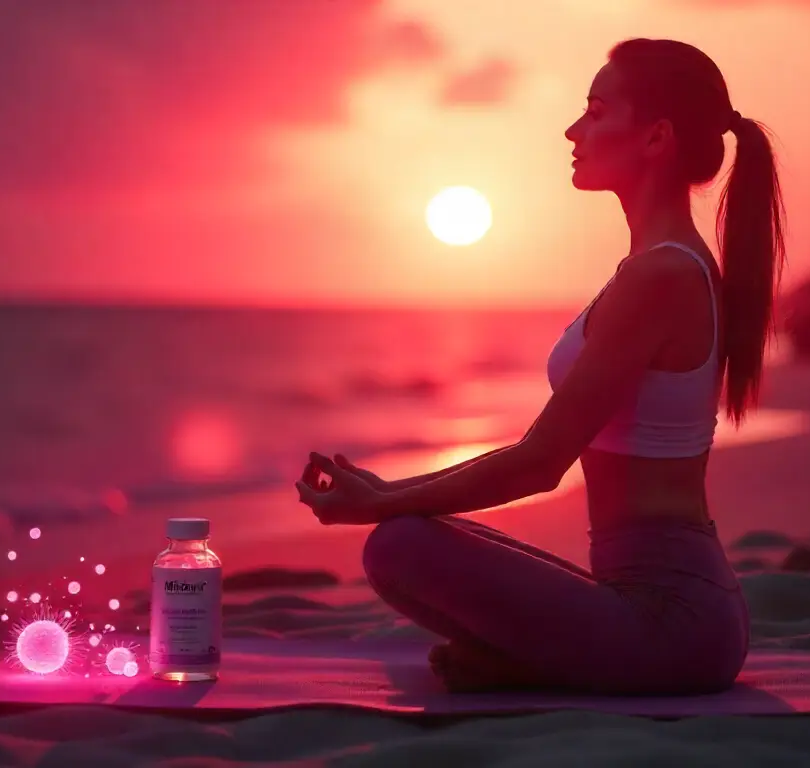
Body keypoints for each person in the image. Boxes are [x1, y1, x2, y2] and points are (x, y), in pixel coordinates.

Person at [295, 37, 785, 696]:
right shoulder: (661, 266)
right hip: (665, 611)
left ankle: (535, 664)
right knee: (412, 532)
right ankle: (533, 662)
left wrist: (381, 501)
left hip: (672, 624)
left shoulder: (663, 275)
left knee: (397, 546)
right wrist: (390, 495)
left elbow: (539, 460)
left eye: (597, 111)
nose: (572, 129)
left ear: (655, 137)